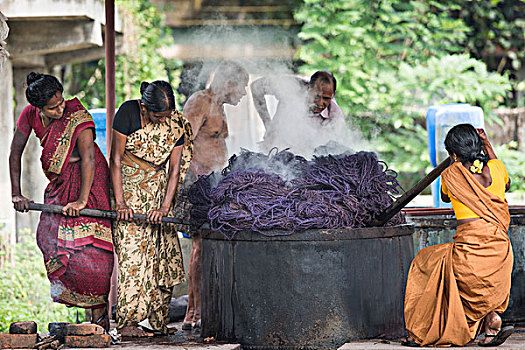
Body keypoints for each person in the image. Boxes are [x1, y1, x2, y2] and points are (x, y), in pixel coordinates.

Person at [9, 72, 114, 330]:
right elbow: (15, 153)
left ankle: (100, 324)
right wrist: (16, 193)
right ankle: (86, 323)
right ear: (38, 108)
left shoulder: (78, 116)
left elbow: (89, 158)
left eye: (61, 102)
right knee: (49, 237)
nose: (60, 109)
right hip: (60, 185)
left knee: (94, 252)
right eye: (52, 108)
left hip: (91, 184)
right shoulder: (29, 115)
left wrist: (81, 201)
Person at [403, 124, 514, 347]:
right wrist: (488, 145)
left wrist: (456, 163)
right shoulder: (498, 168)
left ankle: (427, 329)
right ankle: (491, 319)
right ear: (479, 146)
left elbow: (445, 197)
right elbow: (507, 183)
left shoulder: (451, 174)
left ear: (453, 154)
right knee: (471, 277)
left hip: (469, 257)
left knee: (425, 262)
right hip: (500, 255)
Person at [110, 80, 193, 337]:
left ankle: (158, 321)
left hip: (159, 195)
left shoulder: (176, 123)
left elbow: (175, 170)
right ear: (144, 107)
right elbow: (115, 159)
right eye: (158, 115)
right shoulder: (127, 113)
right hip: (128, 190)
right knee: (133, 258)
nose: (162, 121)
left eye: (166, 116)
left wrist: (165, 207)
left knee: (162, 257)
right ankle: (127, 324)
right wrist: (121, 203)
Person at [177, 60, 249, 330]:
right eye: (241, 87)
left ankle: (206, 307)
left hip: (216, 182)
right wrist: (200, 179)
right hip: (199, 184)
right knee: (200, 244)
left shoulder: (218, 106)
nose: (242, 94)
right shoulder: (200, 101)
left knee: (212, 244)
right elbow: (183, 144)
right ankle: (193, 312)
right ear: (228, 83)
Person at [250, 70, 345, 154]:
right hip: (273, 153)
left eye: (326, 98)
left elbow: (327, 151)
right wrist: (268, 125)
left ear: (333, 95)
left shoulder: (335, 117)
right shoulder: (292, 87)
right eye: (316, 96)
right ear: (308, 88)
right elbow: (256, 87)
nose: (320, 103)